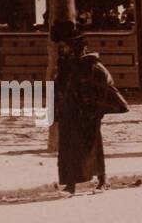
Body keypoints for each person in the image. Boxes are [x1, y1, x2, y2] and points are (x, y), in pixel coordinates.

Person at [53, 20, 126, 194]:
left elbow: (100, 88)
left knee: (92, 145)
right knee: (69, 148)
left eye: (63, 46)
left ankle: (102, 180)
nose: (61, 49)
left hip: (86, 112)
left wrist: (94, 110)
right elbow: (60, 87)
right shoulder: (65, 64)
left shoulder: (89, 65)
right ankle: (70, 185)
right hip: (69, 111)